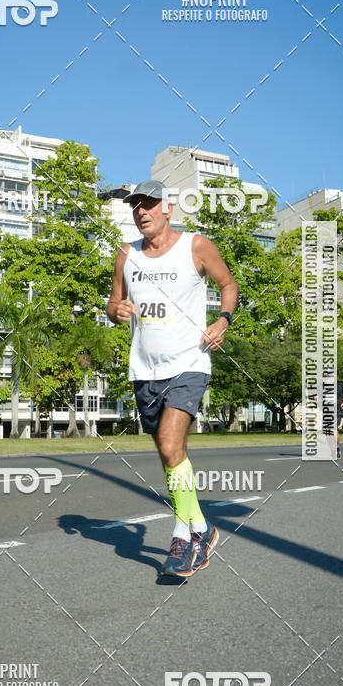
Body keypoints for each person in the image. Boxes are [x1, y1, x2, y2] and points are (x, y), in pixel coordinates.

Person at [106, 179, 238, 577]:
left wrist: (223, 320)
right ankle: (203, 527)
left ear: (168, 208)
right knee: (169, 455)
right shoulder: (125, 255)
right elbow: (112, 303)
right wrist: (117, 311)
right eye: (135, 206)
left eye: (148, 204)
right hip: (144, 369)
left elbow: (228, 285)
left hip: (189, 363)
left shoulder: (196, 246)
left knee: (168, 442)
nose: (141, 211)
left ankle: (183, 536)